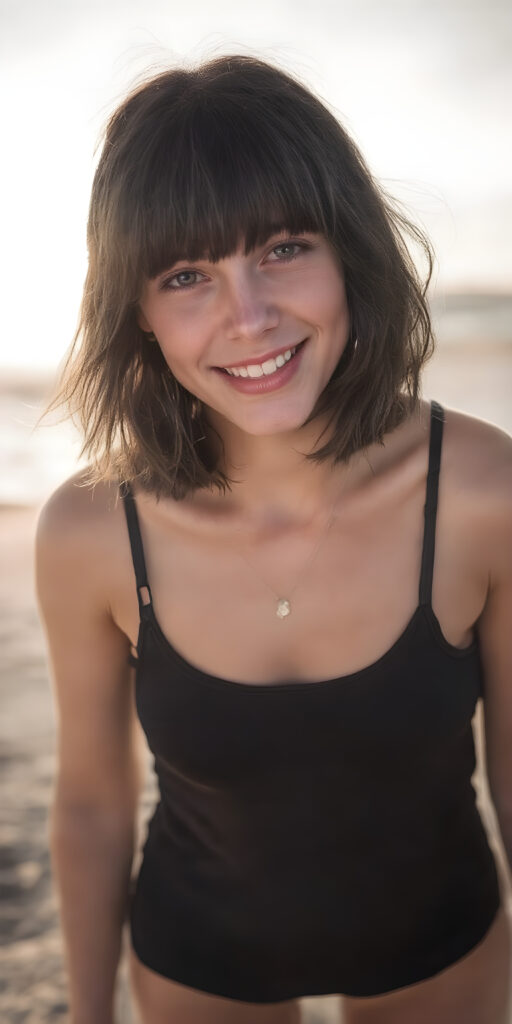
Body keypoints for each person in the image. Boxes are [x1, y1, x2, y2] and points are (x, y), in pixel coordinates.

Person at [35, 54, 512, 1024]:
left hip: (439, 952)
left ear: (349, 252)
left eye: (283, 247)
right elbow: (89, 802)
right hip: (195, 964)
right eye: (185, 275)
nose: (247, 318)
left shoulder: (481, 490)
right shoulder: (90, 529)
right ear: (137, 311)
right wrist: (88, 1015)